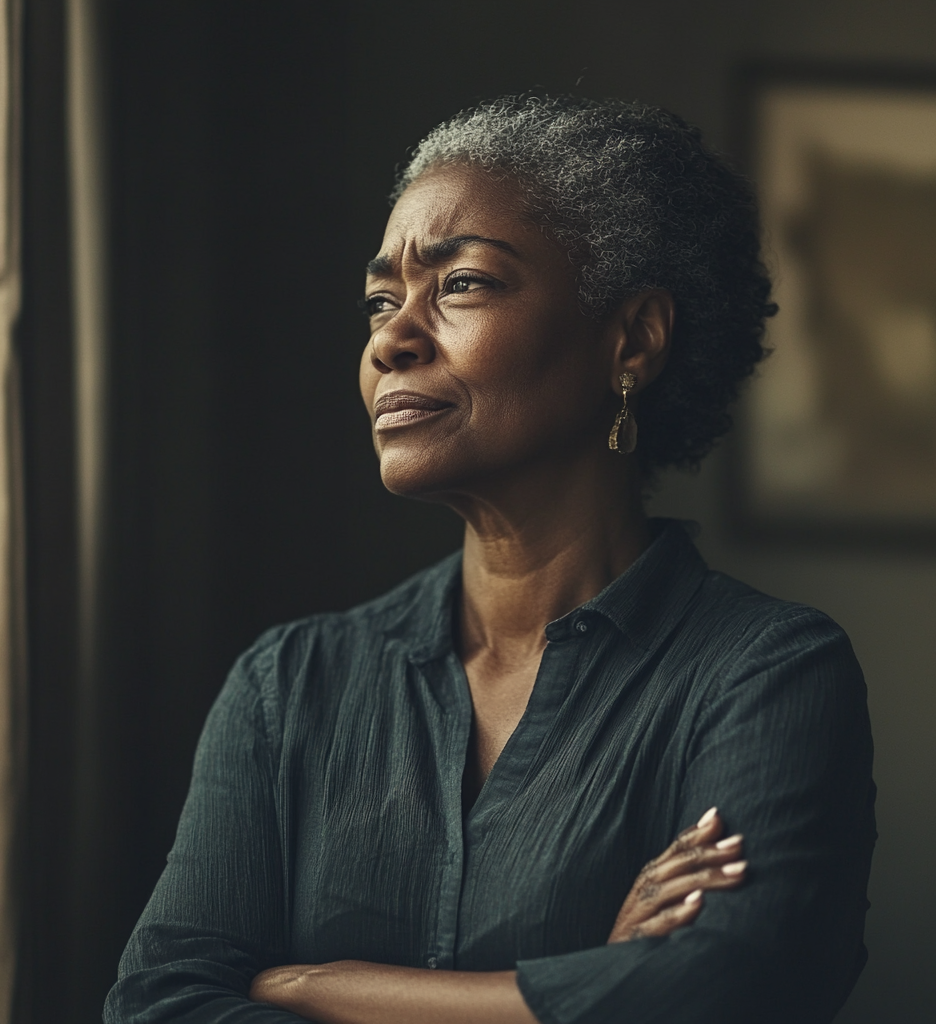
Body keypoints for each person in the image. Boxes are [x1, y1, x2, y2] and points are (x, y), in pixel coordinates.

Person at [104, 95, 875, 1024]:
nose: (392, 337)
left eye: (460, 284)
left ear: (631, 338)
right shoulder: (291, 687)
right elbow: (160, 1003)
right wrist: (580, 987)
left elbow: (725, 991)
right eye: (381, 300)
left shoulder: (766, 675)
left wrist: (310, 985)